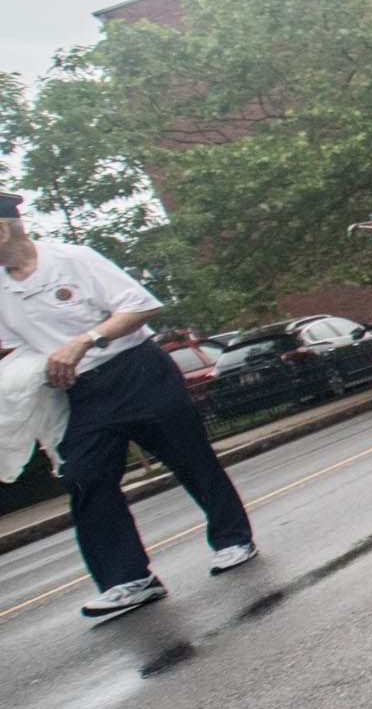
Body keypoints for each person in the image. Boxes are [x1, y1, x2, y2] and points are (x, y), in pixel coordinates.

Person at [0, 192, 258, 621]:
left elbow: (140, 306)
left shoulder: (72, 260)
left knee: (190, 457)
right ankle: (129, 580)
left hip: (136, 372)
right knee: (84, 477)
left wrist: (85, 340)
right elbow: (12, 346)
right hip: (81, 394)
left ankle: (232, 539)